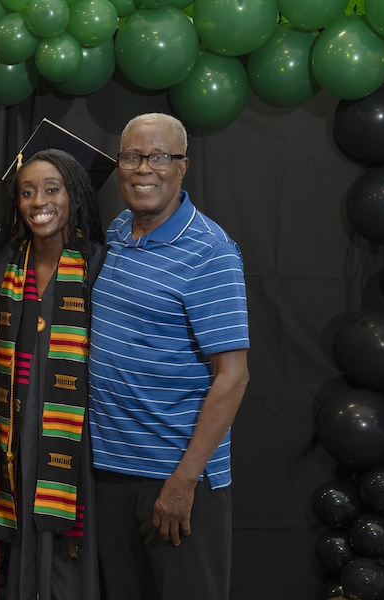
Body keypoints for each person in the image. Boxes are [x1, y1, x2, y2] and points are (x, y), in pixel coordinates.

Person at [88, 113, 250, 600]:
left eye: (159, 157)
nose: (144, 169)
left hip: (175, 478)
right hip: (110, 473)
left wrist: (183, 481)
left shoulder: (209, 251)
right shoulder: (116, 232)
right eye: (133, 156)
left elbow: (233, 378)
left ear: (183, 166)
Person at [0, 148, 105, 600]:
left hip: (73, 430)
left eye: (52, 189)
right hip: (15, 426)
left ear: (74, 195)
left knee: (69, 545)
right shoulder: (2, 264)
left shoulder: (98, 263)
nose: (39, 201)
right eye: (27, 192)